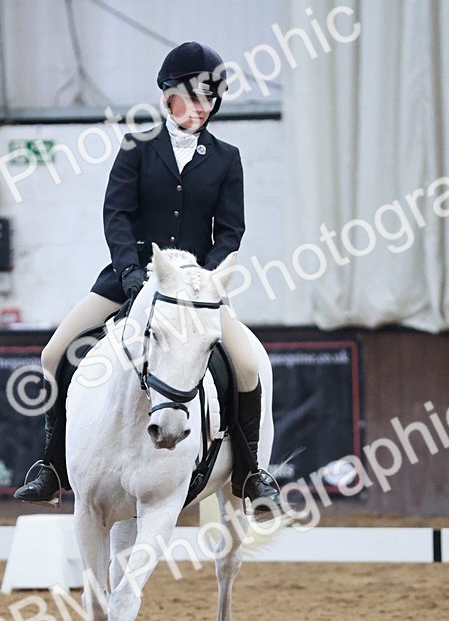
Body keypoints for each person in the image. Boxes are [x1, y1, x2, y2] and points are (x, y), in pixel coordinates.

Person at [15, 41, 280, 508]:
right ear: (166, 97)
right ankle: (51, 464)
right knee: (54, 352)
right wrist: (131, 272)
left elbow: (231, 232)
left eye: (207, 100)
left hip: (194, 291)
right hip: (128, 280)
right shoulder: (137, 148)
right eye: (190, 97)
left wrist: (203, 280)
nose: (199, 108)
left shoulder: (225, 158)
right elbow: (116, 214)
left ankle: (250, 470)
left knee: (247, 365)